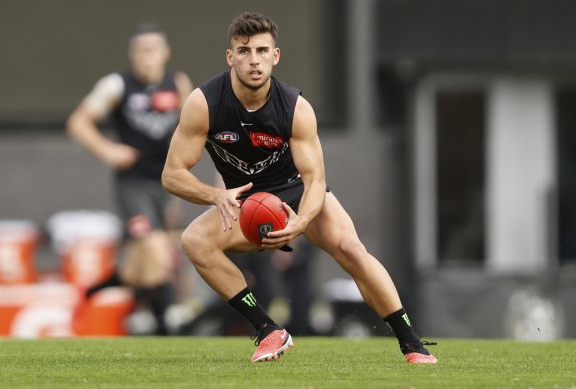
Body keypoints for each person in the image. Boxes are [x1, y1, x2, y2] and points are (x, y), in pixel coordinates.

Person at [162, 12, 437, 363]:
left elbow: (316, 180)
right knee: (194, 241)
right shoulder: (204, 103)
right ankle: (268, 329)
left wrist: (301, 223)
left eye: (262, 51)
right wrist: (215, 195)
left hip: (296, 192)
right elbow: (172, 175)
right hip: (245, 200)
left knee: (352, 250)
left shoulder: (295, 108)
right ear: (230, 57)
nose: (254, 60)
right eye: (244, 51)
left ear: (275, 56)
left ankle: (412, 344)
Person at [66, 23, 193, 335]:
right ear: (132, 54)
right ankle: (167, 333)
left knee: (143, 266)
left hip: (165, 183)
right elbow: (78, 123)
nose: (147, 56)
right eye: (141, 50)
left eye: (153, 49)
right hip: (133, 184)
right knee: (157, 252)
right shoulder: (117, 85)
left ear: (165, 52)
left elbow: (192, 130)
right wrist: (107, 149)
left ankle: (99, 288)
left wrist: (183, 185)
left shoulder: (177, 84)